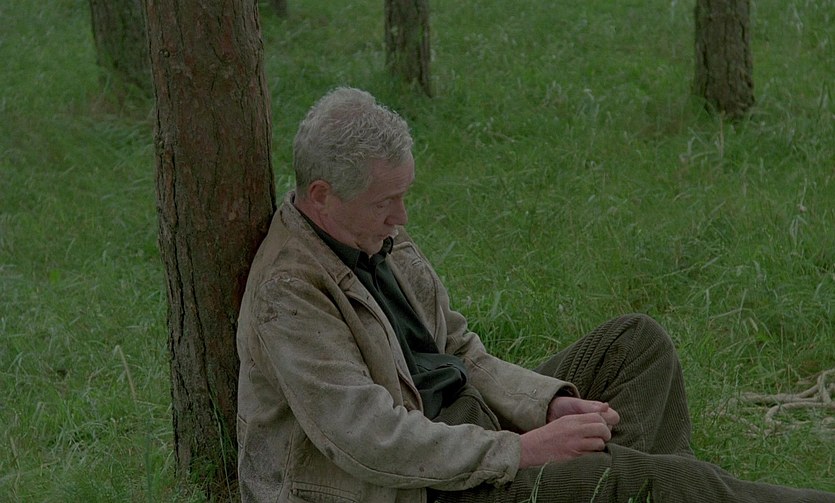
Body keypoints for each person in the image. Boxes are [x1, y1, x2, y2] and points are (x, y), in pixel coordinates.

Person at [235, 87, 834, 503]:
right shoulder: (290, 292)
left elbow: (459, 351)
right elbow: (368, 439)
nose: (402, 216)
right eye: (385, 201)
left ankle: (628, 483)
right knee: (636, 482)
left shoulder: (372, 233)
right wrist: (519, 452)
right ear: (322, 195)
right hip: (417, 484)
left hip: (467, 424)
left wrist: (545, 405)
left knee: (636, 345)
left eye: (404, 195)